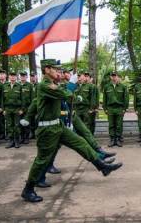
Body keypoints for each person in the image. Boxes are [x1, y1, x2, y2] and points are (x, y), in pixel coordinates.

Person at [21, 59, 122, 203]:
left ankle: (102, 166)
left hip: (58, 126)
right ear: (47, 69)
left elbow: (65, 94)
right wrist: (73, 84)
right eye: (55, 69)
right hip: (47, 129)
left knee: (81, 143)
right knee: (42, 160)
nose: (58, 72)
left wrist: (71, 88)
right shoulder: (45, 85)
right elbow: (66, 95)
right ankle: (28, 189)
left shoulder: (53, 84)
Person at [103, 71, 129, 147]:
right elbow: (105, 99)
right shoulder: (107, 86)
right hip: (110, 108)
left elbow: (126, 98)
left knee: (119, 125)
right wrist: (105, 108)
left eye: (115, 76)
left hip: (119, 108)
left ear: (117, 77)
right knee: (111, 125)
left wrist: (125, 108)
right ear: (110, 77)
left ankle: (117, 139)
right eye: (112, 76)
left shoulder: (123, 87)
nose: (114, 77)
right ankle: (112, 140)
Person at [3, 70, 23, 149]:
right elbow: (2, 98)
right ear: (9, 77)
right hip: (7, 108)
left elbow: (22, 99)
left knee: (17, 125)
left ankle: (17, 140)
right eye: (11, 75)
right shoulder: (5, 86)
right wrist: (4, 109)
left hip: (16, 109)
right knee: (9, 125)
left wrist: (22, 109)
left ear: (16, 77)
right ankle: (11, 141)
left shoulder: (19, 86)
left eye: (14, 76)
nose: (12, 77)